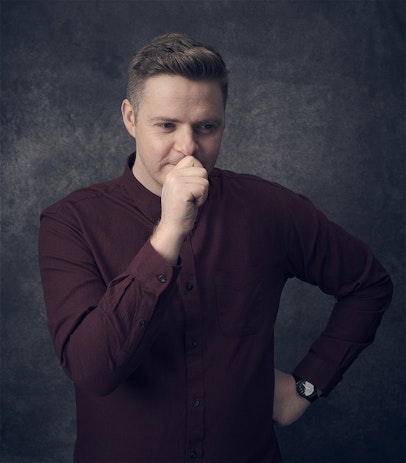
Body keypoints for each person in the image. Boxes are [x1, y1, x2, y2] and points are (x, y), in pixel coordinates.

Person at [38, 33, 393, 463]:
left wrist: (307, 385)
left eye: (206, 127)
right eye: (166, 125)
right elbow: (93, 370)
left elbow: (368, 284)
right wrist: (168, 233)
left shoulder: (270, 208)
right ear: (130, 118)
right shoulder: (70, 222)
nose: (188, 147)